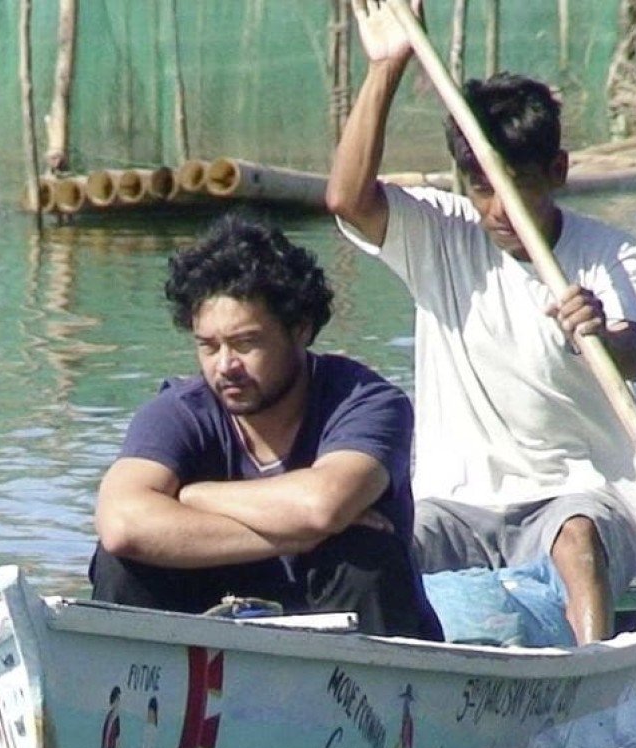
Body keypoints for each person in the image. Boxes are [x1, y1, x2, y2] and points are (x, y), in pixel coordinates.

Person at [324, 1, 636, 645]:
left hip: (582, 497)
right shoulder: (441, 234)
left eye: (519, 186)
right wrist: (387, 66)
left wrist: (601, 335)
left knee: (577, 542)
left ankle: (585, 674)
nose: (499, 211)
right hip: (458, 502)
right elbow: (346, 197)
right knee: (378, 544)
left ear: (557, 173)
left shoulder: (612, 256)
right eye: (483, 189)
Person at [88, 213, 443, 641]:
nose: (225, 367)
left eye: (246, 344)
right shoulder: (179, 411)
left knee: (362, 554)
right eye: (209, 346)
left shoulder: (367, 402)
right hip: (215, 627)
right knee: (122, 560)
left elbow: (321, 506)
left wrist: (194, 496)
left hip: (351, 632)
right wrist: (297, 535)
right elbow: (122, 523)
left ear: (300, 329)